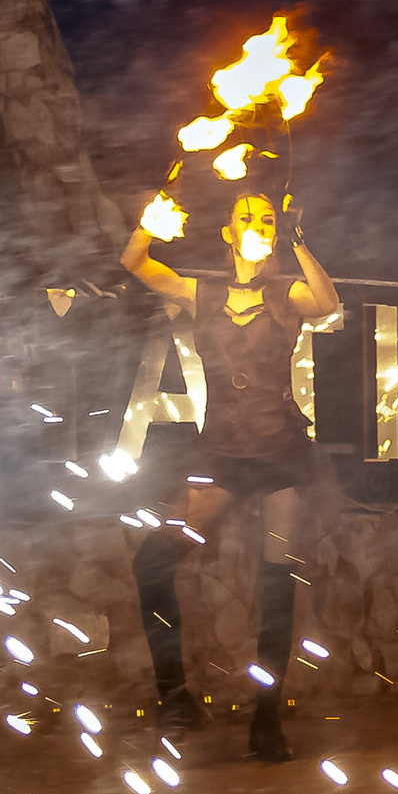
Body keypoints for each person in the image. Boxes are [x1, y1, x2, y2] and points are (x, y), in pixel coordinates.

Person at [118, 191, 341, 761]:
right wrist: (151, 222)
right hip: (221, 453)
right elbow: (135, 264)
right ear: (226, 230)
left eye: (266, 218)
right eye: (247, 216)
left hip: (280, 452)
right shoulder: (203, 292)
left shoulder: (286, 292)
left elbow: (325, 301)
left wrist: (295, 240)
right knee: (155, 558)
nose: (256, 225)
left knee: (276, 579)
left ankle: (267, 721)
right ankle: (173, 696)